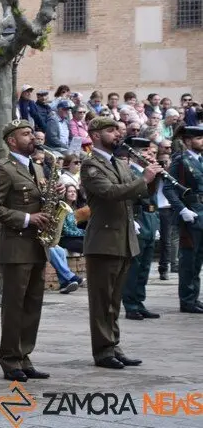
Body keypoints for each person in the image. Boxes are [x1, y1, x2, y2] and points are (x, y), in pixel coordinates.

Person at [81, 116, 160, 369]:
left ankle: (114, 345)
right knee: (102, 300)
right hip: (103, 240)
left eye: (118, 130)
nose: (118, 134)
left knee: (115, 301)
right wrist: (144, 179)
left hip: (123, 239)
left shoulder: (119, 164)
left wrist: (154, 176)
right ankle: (103, 351)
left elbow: (138, 193)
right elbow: (110, 193)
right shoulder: (91, 165)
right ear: (95, 135)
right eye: (111, 130)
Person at [0, 120, 60, 381]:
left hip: (37, 245)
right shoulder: (3, 169)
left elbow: (42, 201)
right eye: (25, 134)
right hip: (15, 246)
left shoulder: (38, 167)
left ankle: (25, 356)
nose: (32, 137)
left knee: (32, 305)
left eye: (32, 133)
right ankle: (10, 360)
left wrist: (56, 194)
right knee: (15, 306)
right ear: (11, 141)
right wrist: (28, 219)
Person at [119, 137, 162, 320]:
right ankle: (130, 305)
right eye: (145, 151)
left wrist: (156, 223)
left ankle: (139, 301)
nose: (150, 155)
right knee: (134, 266)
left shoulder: (150, 173)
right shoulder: (128, 172)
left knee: (145, 266)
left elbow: (154, 199)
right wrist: (130, 220)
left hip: (150, 217)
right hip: (137, 217)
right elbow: (125, 197)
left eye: (151, 151)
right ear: (134, 153)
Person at [163, 125, 203, 313]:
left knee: (198, 260)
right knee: (188, 259)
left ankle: (194, 296)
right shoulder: (180, 160)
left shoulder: (201, 160)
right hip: (191, 214)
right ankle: (187, 300)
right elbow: (169, 188)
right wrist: (182, 210)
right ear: (188, 141)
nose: (202, 141)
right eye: (199, 138)